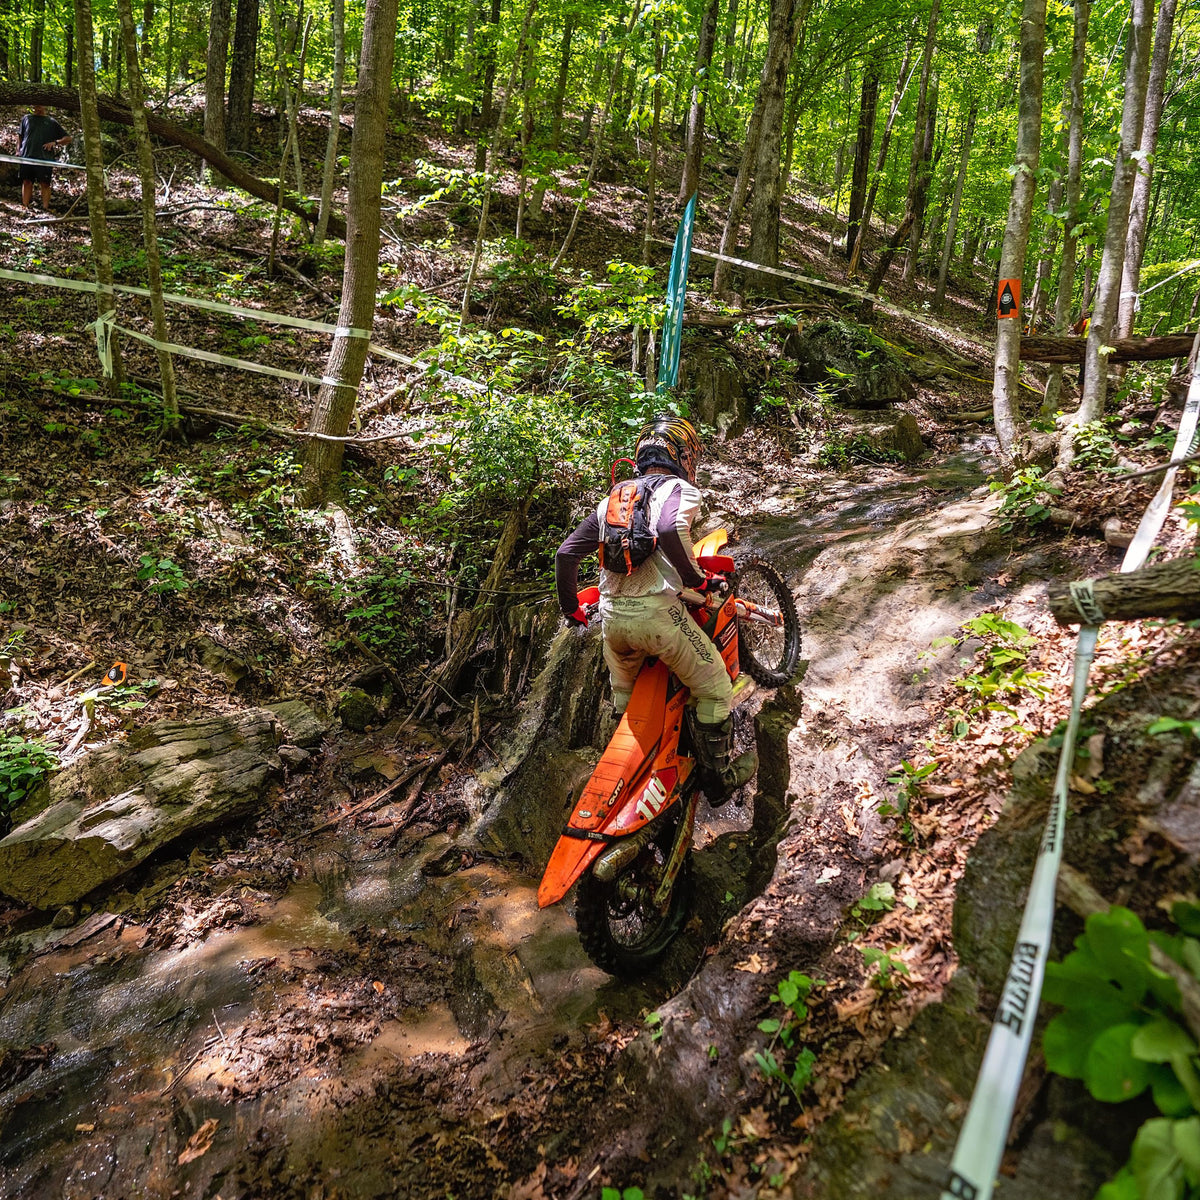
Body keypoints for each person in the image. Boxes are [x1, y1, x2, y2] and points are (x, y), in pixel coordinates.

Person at [555, 415, 757, 799]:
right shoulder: (680, 489)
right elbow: (667, 529)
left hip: (612, 622)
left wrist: (572, 611)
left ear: (641, 456)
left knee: (627, 708)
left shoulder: (613, 498)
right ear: (683, 455)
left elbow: (566, 555)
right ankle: (719, 781)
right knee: (715, 687)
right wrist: (698, 581)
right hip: (659, 617)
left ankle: (628, 784)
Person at [17, 105, 72, 210]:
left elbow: (68, 138)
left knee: (45, 183)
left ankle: (45, 208)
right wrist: (18, 150)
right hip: (27, 156)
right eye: (36, 106)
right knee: (26, 181)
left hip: (44, 158)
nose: (38, 108)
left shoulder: (51, 122)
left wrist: (55, 142)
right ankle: (25, 206)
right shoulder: (27, 118)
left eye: (40, 106)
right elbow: (20, 136)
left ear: (45, 106)